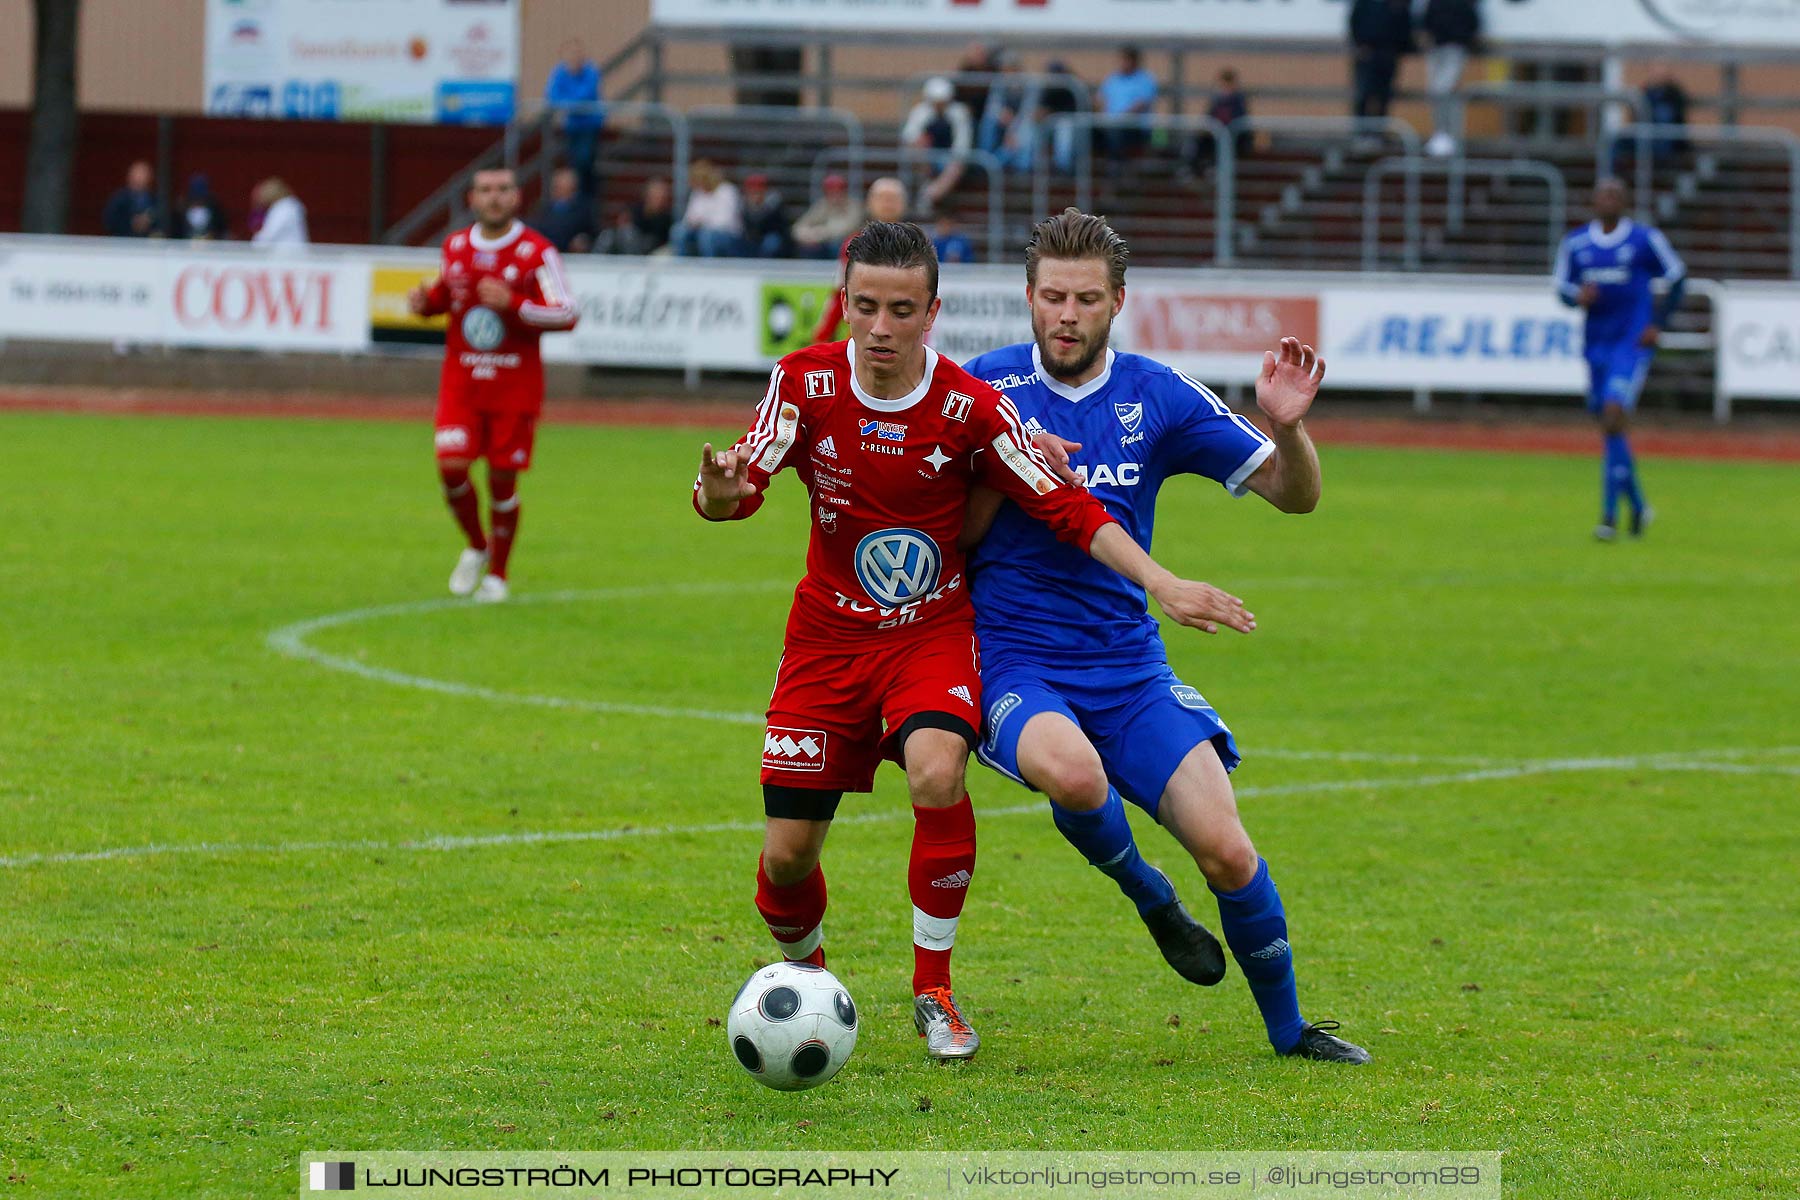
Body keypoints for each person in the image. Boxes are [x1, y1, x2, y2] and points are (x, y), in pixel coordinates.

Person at [693, 220, 1244, 1061]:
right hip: (826, 643)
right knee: (788, 860)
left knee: (938, 768)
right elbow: (741, 485)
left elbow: (1069, 506)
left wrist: (1161, 581)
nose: (881, 327)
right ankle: (807, 977)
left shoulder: (969, 406)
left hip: (932, 634)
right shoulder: (801, 384)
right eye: (865, 307)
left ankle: (935, 991)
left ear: (932, 313)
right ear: (844, 304)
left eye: (901, 310)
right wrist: (716, 493)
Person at [958, 208, 1370, 1065]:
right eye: (1050, 297)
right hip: (1015, 659)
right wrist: (1017, 472)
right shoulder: (979, 390)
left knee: (1226, 849)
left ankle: (1290, 1033)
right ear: (1028, 297)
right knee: (1070, 772)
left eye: (1084, 299)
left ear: (1118, 302)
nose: (1065, 315)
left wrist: (1289, 428)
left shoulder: (1160, 394)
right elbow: (944, 539)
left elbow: (1297, 498)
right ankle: (1150, 896)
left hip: (1129, 667)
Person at [408, 168, 579, 602]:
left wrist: (515, 303)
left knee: (502, 481)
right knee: (451, 467)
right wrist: (424, 304)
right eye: (486, 190)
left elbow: (567, 312)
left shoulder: (536, 252)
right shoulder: (456, 246)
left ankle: (498, 576)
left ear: (517, 197)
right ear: (472, 198)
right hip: (462, 385)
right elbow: (448, 297)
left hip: (513, 389)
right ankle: (477, 546)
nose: (494, 198)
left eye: (503, 190)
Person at [1554, 178, 1685, 541]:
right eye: (1602, 194)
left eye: (1615, 194)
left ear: (1625, 201)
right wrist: (1577, 297)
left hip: (1631, 343)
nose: (1608, 200)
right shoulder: (1577, 244)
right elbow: (1562, 289)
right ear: (1593, 201)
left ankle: (1608, 517)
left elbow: (1677, 277)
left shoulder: (1644, 240)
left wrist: (1657, 323)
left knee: (1613, 415)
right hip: (1596, 344)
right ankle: (1640, 507)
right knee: (1611, 428)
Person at [807, 176, 910, 344]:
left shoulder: (917, 246)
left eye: (893, 198)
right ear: (870, 203)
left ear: (903, 204)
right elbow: (840, 291)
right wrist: (823, 335)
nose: (887, 203)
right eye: (882, 198)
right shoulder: (853, 244)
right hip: (865, 337)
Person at [900, 76, 973, 213]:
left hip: (949, 158)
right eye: (936, 102)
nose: (939, 105)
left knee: (956, 167)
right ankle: (928, 187)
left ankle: (927, 196)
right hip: (927, 157)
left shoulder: (959, 113)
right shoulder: (920, 112)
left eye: (942, 102)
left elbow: (962, 144)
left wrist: (954, 159)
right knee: (916, 149)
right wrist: (922, 146)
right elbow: (909, 137)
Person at [1418, 0, 1480, 157]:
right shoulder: (1435, 3)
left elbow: (1472, 22)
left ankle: (1449, 135)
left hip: (1455, 48)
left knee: (1443, 90)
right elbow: (1426, 21)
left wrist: (1464, 39)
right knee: (1435, 92)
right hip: (1436, 48)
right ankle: (1440, 133)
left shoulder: (1464, 4)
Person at [545, 39, 604, 196]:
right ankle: (577, 196)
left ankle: (586, 195)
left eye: (576, 54)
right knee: (573, 162)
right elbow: (552, 95)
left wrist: (567, 103)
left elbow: (585, 95)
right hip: (571, 125)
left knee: (584, 161)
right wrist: (569, 103)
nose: (573, 58)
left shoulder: (591, 72)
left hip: (590, 125)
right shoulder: (560, 72)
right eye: (570, 55)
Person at [1350, 0, 1414, 122]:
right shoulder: (1365, 3)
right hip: (1368, 53)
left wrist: (1402, 48)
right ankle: (1361, 132)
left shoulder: (1397, 4)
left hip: (1389, 54)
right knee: (1364, 94)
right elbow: (1355, 21)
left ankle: (1379, 131)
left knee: (1384, 96)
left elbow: (1404, 25)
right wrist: (1360, 44)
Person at [1096, 46, 1158, 166]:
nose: (1121, 63)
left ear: (1134, 61)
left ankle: (1116, 169)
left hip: (1134, 128)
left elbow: (1141, 104)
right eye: (1120, 60)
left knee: (1116, 135)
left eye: (1125, 60)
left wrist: (1119, 119)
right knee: (1088, 132)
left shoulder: (1145, 80)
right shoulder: (1113, 79)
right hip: (1109, 125)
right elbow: (1100, 100)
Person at [673, 159, 745, 258]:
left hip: (729, 236)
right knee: (678, 231)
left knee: (707, 236)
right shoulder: (698, 193)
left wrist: (702, 222)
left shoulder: (727, 191)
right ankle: (681, 264)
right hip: (702, 231)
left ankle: (709, 266)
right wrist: (694, 223)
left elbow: (724, 222)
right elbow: (688, 219)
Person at [1186, 68, 1251, 174]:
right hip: (1214, 135)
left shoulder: (1238, 100)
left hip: (1231, 137)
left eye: (1227, 83)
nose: (1224, 87)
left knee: (1223, 144)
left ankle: (1215, 169)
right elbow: (1209, 117)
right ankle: (1192, 170)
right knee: (1196, 142)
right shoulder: (1217, 100)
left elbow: (1239, 119)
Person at [596, 176, 675, 256]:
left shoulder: (667, 219)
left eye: (663, 196)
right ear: (648, 195)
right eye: (657, 195)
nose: (660, 199)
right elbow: (622, 229)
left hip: (649, 254)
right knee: (610, 235)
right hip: (628, 248)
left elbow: (663, 243)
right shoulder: (633, 211)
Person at [528, 167, 598, 253]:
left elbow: (592, 234)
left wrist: (584, 240)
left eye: (560, 186)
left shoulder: (583, 211)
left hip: (571, 257)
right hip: (545, 253)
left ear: (572, 187)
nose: (556, 188)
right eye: (555, 185)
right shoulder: (541, 208)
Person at [792, 174, 862, 260]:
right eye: (830, 190)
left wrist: (819, 234)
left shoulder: (853, 206)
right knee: (807, 248)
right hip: (821, 243)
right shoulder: (822, 205)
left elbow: (847, 228)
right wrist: (807, 235)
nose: (834, 194)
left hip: (844, 246)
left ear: (844, 191)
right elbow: (798, 227)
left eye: (838, 190)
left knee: (835, 245)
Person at [103, 161, 163, 238]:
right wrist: (132, 223)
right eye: (137, 174)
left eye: (143, 174)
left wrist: (149, 223)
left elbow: (163, 223)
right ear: (130, 176)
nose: (140, 178)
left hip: (148, 245)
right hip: (123, 243)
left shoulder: (156, 200)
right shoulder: (119, 199)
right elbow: (109, 221)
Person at [740, 173, 793, 259]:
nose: (755, 194)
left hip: (775, 238)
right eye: (751, 191)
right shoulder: (743, 204)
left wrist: (757, 208)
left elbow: (763, 224)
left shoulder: (775, 203)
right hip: (754, 239)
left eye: (757, 190)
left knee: (770, 242)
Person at [250, 179, 308, 246]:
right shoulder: (290, 205)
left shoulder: (284, 207)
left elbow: (269, 234)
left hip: (288, 253)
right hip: (292, 252)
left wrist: (256, 243)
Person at [175, 173, 228, 240]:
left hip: (211, 248)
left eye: (201, 198)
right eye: (195, 198)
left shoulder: (216, 211)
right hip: (185, 248)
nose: (198, 201)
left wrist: (213, 236)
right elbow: (175, 235)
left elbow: (223, 232)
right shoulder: (180, 214)